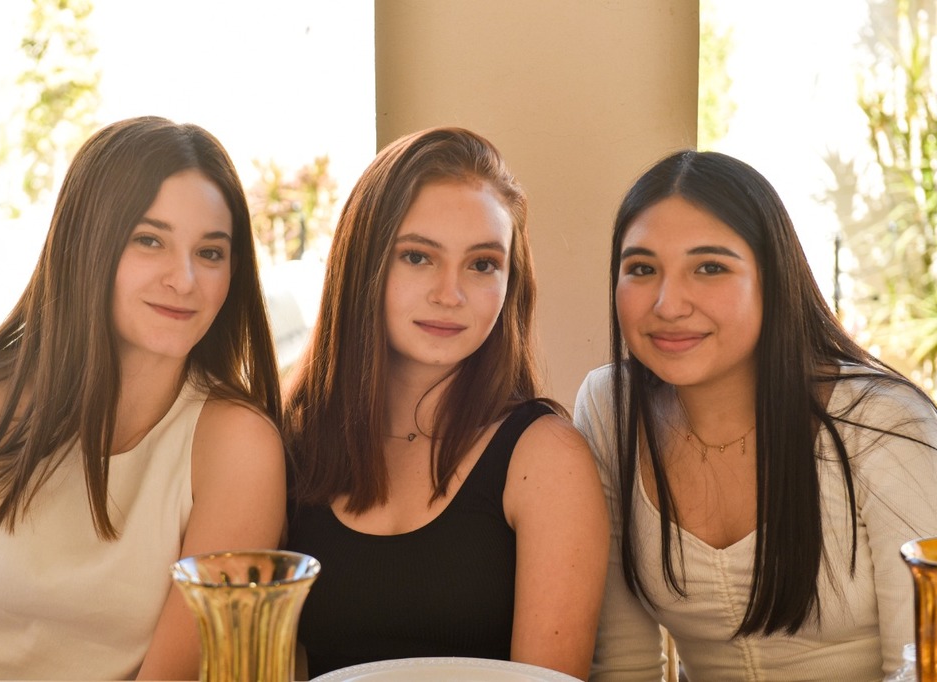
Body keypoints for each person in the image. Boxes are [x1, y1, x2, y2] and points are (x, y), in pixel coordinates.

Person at [0, 116, 287, 680]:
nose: (185, 279)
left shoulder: (238, 446)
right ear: (85, 244)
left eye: (211, 252)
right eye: (149, 240)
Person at [574, 149, 937, 681]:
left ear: (773, 279)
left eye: (710, 267)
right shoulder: (611, 407)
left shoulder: (886, 423)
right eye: (642, 269)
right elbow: (625, 666)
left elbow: (920, 667)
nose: (668, 304)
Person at [284, 126, 609, 680]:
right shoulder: (293, 440)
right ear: (362, 264)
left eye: (482, 264)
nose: (450, 294)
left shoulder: (546, 458)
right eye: (418, 257)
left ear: (510, 281)